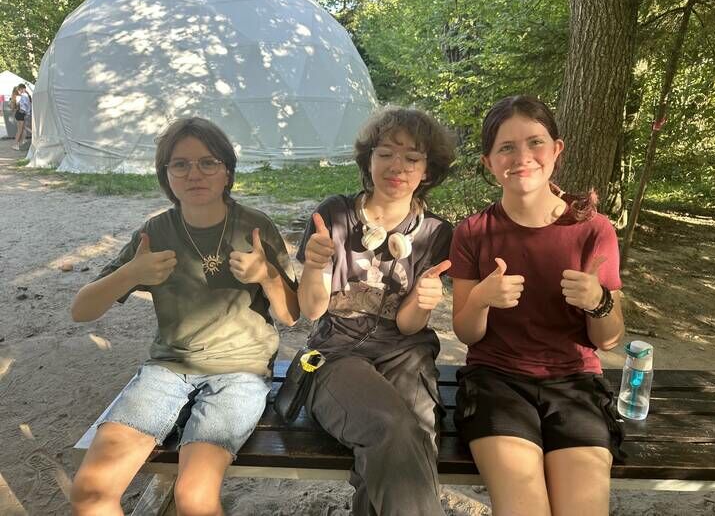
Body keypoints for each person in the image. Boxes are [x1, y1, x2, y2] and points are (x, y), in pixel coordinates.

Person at [69, 117, 299, 516]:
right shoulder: (155, 233)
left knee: (194, 496)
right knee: (90, 492)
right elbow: (81, 310)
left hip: (240, 372)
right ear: (166, 176)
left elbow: (291, 315)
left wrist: (267, 275)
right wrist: (131, 274)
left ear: (227, 171)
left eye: (208, 162)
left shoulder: (254, 227)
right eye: (180, 164)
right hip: (168, 369)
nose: (195, 174)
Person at [449, 95, 625, 516]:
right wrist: (481, 299)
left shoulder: (594, 230)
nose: (522, 157)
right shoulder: (472, 232)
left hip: (576, 384)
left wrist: (598, 302)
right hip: (496, 383)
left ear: (556, 149)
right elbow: (466, 332)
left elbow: (609, 339)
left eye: (535, 142)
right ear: (489, 163)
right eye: (506, 147)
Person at [297, 106, 456, 516]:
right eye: (385, 153)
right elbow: (312, 310)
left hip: (406, 354)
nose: (397, 166)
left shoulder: (436, 232)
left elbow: (408, 325)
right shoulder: (333, 215)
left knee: (418, 438)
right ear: (368, 160)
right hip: (337, 355)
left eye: (412, 157)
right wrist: (314, 266)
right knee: (392, 427)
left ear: (427, 170)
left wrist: (422, 301)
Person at [11, 85, 25, 150]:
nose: (21, 91)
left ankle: (18, 143)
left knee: (20, 130)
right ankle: (15, 144)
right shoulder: (18, 97)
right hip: (20, 114)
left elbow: (12, 108)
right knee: (20, 130)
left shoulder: (14, 97)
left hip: (18, 114)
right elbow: (19, 106)